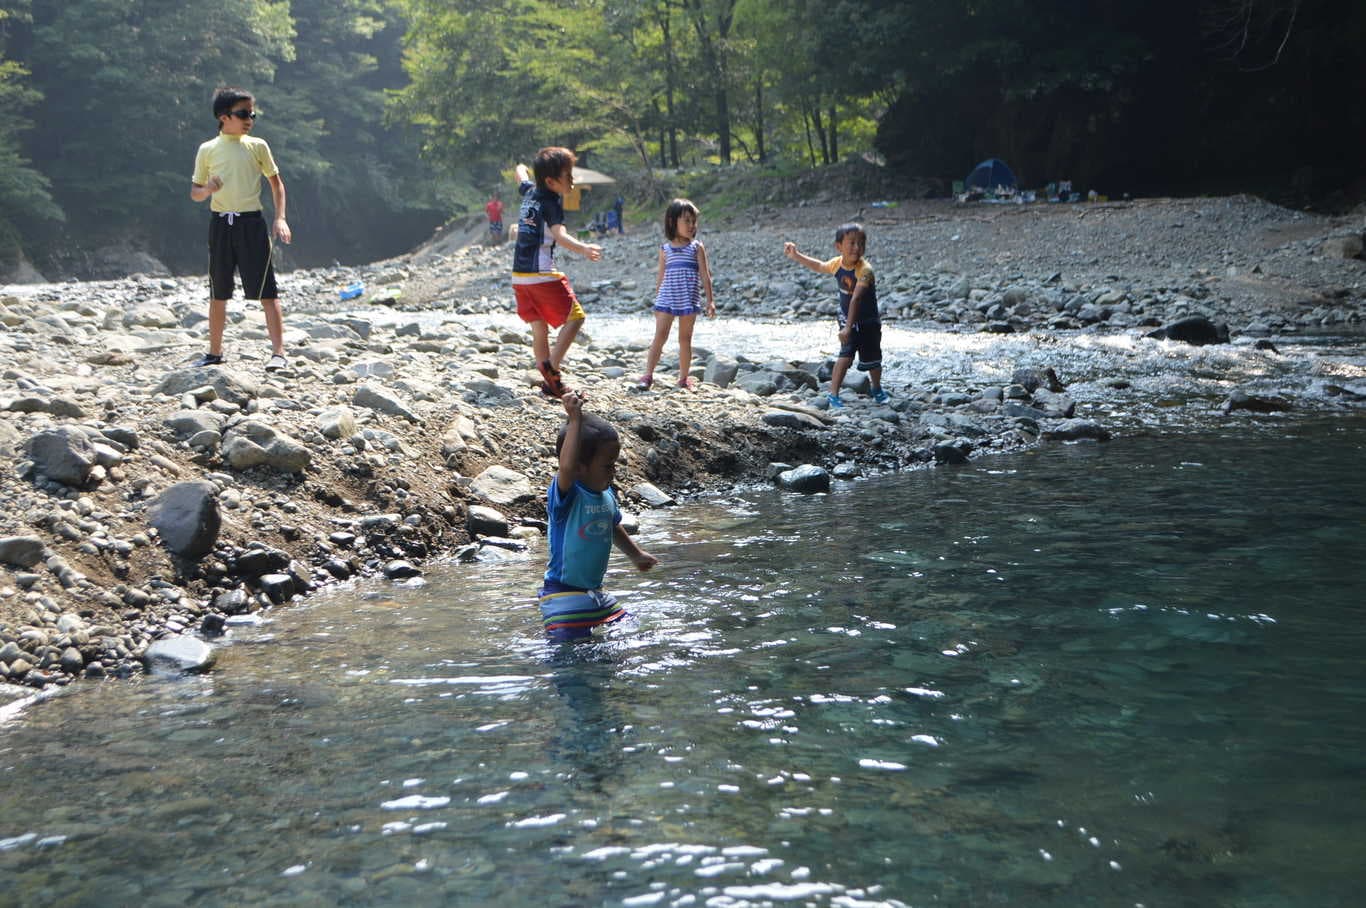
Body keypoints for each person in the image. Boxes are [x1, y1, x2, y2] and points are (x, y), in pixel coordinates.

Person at [539, 390, 658, 642]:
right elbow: (567, 467)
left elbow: (612, 527)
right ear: (581, 468)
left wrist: (636, 555)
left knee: (637, 631)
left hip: (595, 595)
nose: (613, 472)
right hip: (563, 596)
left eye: (614, 464)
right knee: (570, 658)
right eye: (607, 466)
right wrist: (574, 420)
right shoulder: (567, 496)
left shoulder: (606, 496)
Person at [189, 87, 291, 371]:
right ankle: (214, 352)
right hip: (221, 223)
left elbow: (276, 183)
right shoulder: (207, 149)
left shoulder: (258, 145)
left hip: (251, 223)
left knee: (267, 291)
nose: (250, 119)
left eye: (252, 113)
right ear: (224, 117)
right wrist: (209, 188)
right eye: (243, 113)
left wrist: (280, 218)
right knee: (218, 291)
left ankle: (279, 354)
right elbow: (195, 193)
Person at [512, 148, 603, 398]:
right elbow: (560, 236)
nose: (572, 180)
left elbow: (520, 175)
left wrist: (521, 165)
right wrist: (584, 248)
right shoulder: (551, 203)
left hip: (518, 276)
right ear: (551, 182)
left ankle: (551, 384)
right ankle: (551, 368)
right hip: (541, 274)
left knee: (539, 328)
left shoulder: (530, 191)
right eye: (568, 175)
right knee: (576, 317)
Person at [783, 223, 889, 408]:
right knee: (846, 355)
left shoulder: (865, 270)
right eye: (852, 243)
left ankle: (877, 389)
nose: (857, 248)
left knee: (873, 357)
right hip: (846, 316)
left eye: (861, 243)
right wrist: (796, 255)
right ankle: (833, 394)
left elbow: (856, 299)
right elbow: (819, 265)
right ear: (839, 246)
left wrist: (849, 326)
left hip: (868, 319)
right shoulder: (837, 263)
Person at [638, 199, 716, 390]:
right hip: (667, 298)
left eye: (693, 221)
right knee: (660, 336)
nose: (691, 225)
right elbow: (661, 277)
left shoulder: (697, 247)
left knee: (685, 339)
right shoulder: (665, 249)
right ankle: (647, 375)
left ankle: (683, 378)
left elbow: (705, 276)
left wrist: (710, 301)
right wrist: (657, 300)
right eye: (687, 221)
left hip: (688, 298)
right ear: (673, 222)